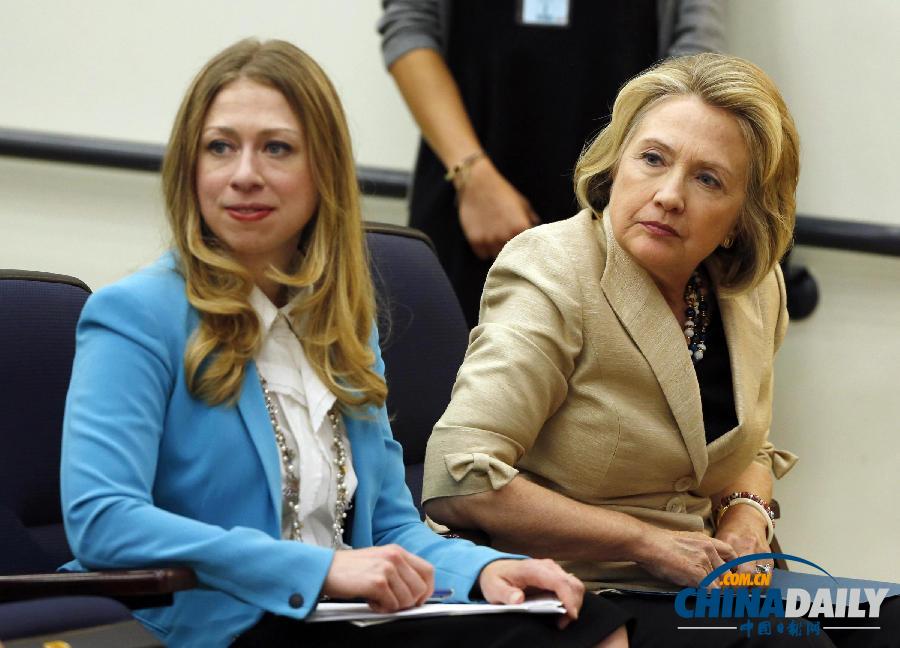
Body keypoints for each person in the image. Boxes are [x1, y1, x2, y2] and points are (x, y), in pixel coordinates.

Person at [59, 39, 630, 648]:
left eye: (276, 148)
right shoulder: (136, 315)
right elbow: (104, 520)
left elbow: (390, 528)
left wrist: (485, 571)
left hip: (344, 613)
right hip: (220, 622)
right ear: (190, 168)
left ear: (323, 172)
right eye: (219, 147)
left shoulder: (340, 325)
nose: (244, 175)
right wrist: (322, 569)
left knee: (578, 622)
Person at [417, 52, 857, 646]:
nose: (669, 195)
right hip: (581, 588)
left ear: (740, 219)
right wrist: (646, 542)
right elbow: (461, 477)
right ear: (615, 165)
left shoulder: (755, 289)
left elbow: (745, 446)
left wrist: (746, 516)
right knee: (783, 640)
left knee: (886, 618)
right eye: (653, 159)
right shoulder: (553, 269)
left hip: (707, 586)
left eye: (708, 179)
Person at [379, 0, 725, 326]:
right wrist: (470, 172)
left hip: (616, 215)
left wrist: (641, 200)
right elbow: (410, 28)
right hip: (468, 208)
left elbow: (693, 59)